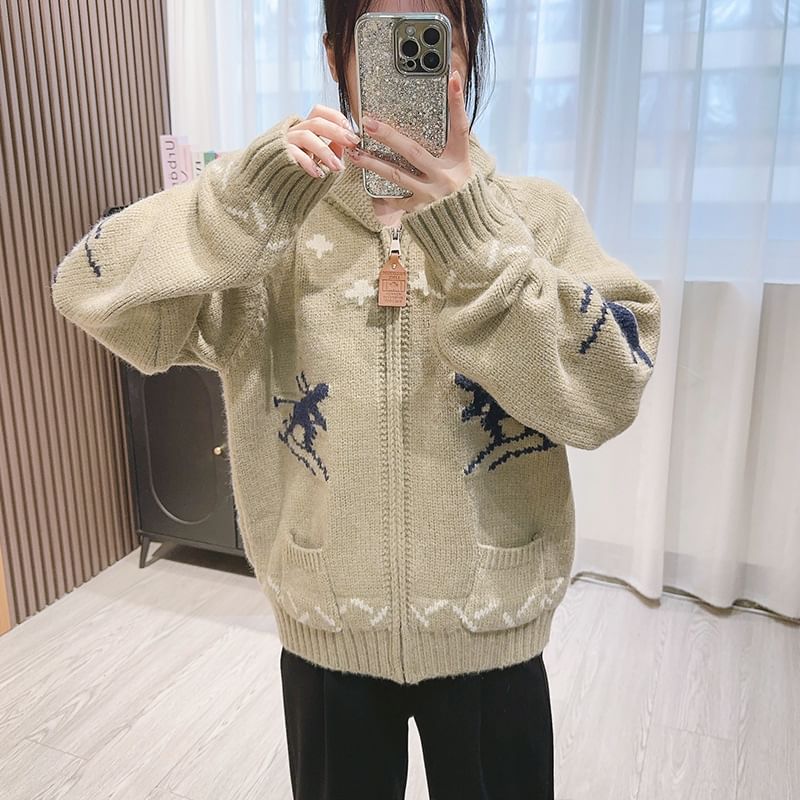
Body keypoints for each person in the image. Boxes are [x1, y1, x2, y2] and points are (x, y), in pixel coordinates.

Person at [51, 1, 662, 798]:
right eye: (381, 39)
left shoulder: (535, 218)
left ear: (467, 52)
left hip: (496, 632)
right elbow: (87, 287)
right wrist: (236, 203)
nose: (410, 61)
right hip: (325, 633)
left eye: (433, 37)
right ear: (337, 53)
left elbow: (611, 389)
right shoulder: (275, 231)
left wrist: (473, 240)